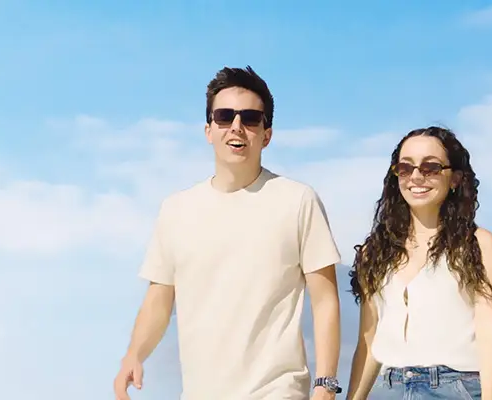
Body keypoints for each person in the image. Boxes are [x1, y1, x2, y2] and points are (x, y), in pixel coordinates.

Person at [113, 66, 346, 400]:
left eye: (251, 118)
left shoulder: (297, 200)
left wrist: (325, 386)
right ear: (209, 130)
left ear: (266, 134)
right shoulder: (176, 209)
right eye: (225, 116)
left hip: (276, 391)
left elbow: (325, 301)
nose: (237, 126)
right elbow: (159, 299)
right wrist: (133, 355)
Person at [344, 127, 492, 400]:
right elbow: (369, 341)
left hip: (454, 388)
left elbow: (490, 332)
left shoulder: (478, 244)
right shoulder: (376, 252)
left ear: (454, 178)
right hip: (389, 389)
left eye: (430, 167)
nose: (416, 176)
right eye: (405, 168)